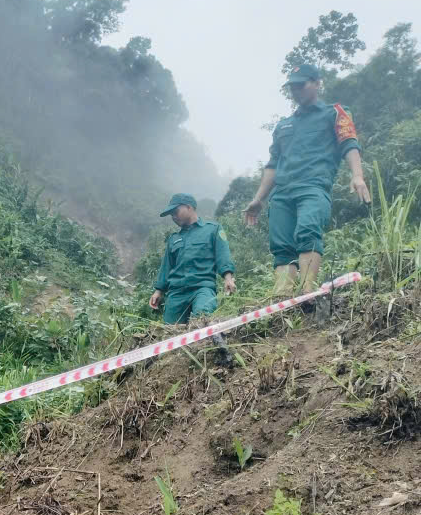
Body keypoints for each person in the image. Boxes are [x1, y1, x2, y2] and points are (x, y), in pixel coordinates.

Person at [242, 62, 371, 294]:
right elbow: (272, 165)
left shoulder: (335, 113)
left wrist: (357, 176)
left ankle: (307, 293)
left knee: (308, 231)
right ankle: (283, 301)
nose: (296, 90)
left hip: (313, 186)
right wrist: (259, 199)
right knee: (281, 247)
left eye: (301, 85)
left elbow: (349, 142)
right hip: (282, 193)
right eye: (292, 87)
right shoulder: (283, 125)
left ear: (317, 84)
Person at [149, 193, 237, 327]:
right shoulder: (173, 239)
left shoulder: (212, 229)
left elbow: (223, 255)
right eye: (171, 214)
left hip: (202, 288)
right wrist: (158, 291)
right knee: (169, 332)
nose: (173, 216)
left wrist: (228, 278)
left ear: (189, 207)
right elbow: (166, 267)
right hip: (176, 293)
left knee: (202, 319)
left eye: (175, 211)